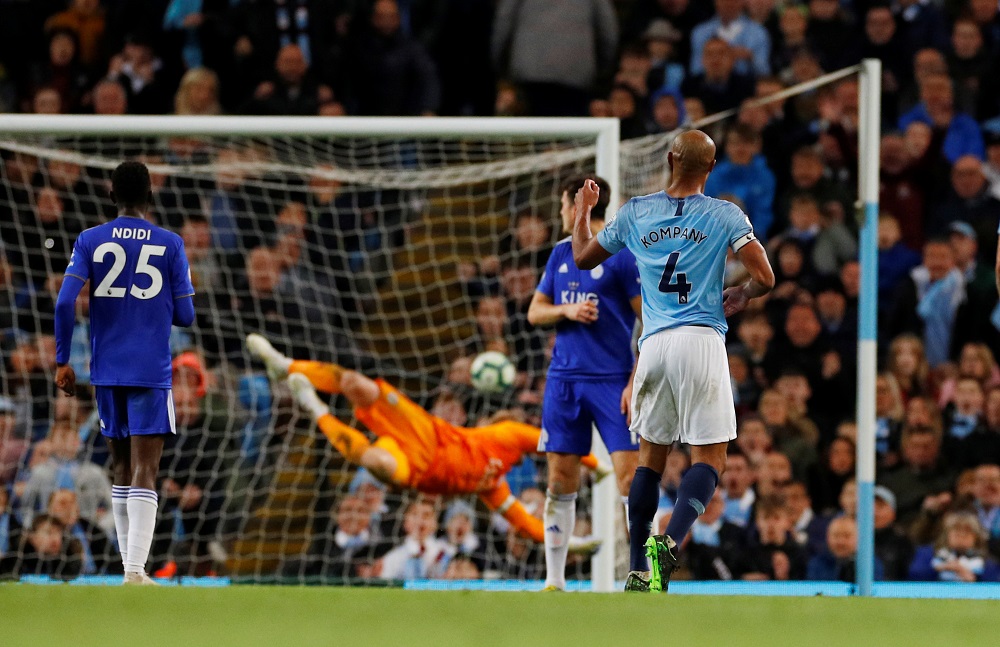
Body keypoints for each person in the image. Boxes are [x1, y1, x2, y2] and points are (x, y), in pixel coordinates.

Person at [571, 129, 775, 592]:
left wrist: (583, 212)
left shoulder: (636, 212)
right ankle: (671, 540)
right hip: (702, 340)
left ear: (669, 160)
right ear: (711, 167)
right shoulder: (725, 214)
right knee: (711, 457)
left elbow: (583, 257)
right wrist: (741, 293)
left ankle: (639, 567)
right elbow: (765, 275)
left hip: (655, 344)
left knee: (650, 460)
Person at [245, 334, 606, 550]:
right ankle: (286, 365)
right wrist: (597, 466)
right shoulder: (505, 436)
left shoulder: (492, 484)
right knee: (358, 384)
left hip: (418, 470)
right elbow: (550, 441)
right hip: (426, 431)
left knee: (377, 463)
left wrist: (568, 543)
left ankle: (314, 406)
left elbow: (525, 524)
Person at [53, 161, 196, 584]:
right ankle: (135, 570)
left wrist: (63, 361)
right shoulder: (170, 244)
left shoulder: (89, 239)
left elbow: (64, 303)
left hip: (106, 370)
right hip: (150, 370)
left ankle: (126, 568)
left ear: (111, 194)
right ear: (151, 196)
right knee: (145, 470)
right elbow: (186, 316)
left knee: (119, 467)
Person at [526, 174, 642, 592]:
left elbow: (649, 320)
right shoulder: (559, 254)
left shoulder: (623, 257)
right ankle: (554, 580)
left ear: (579, 209)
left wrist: (636, 379)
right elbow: (534, 312)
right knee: (559, 480)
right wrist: (566, 311)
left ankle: (642, 575)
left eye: (563, 205)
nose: (559, 213)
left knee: (632, 478)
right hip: (564, 382)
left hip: (613, 382)